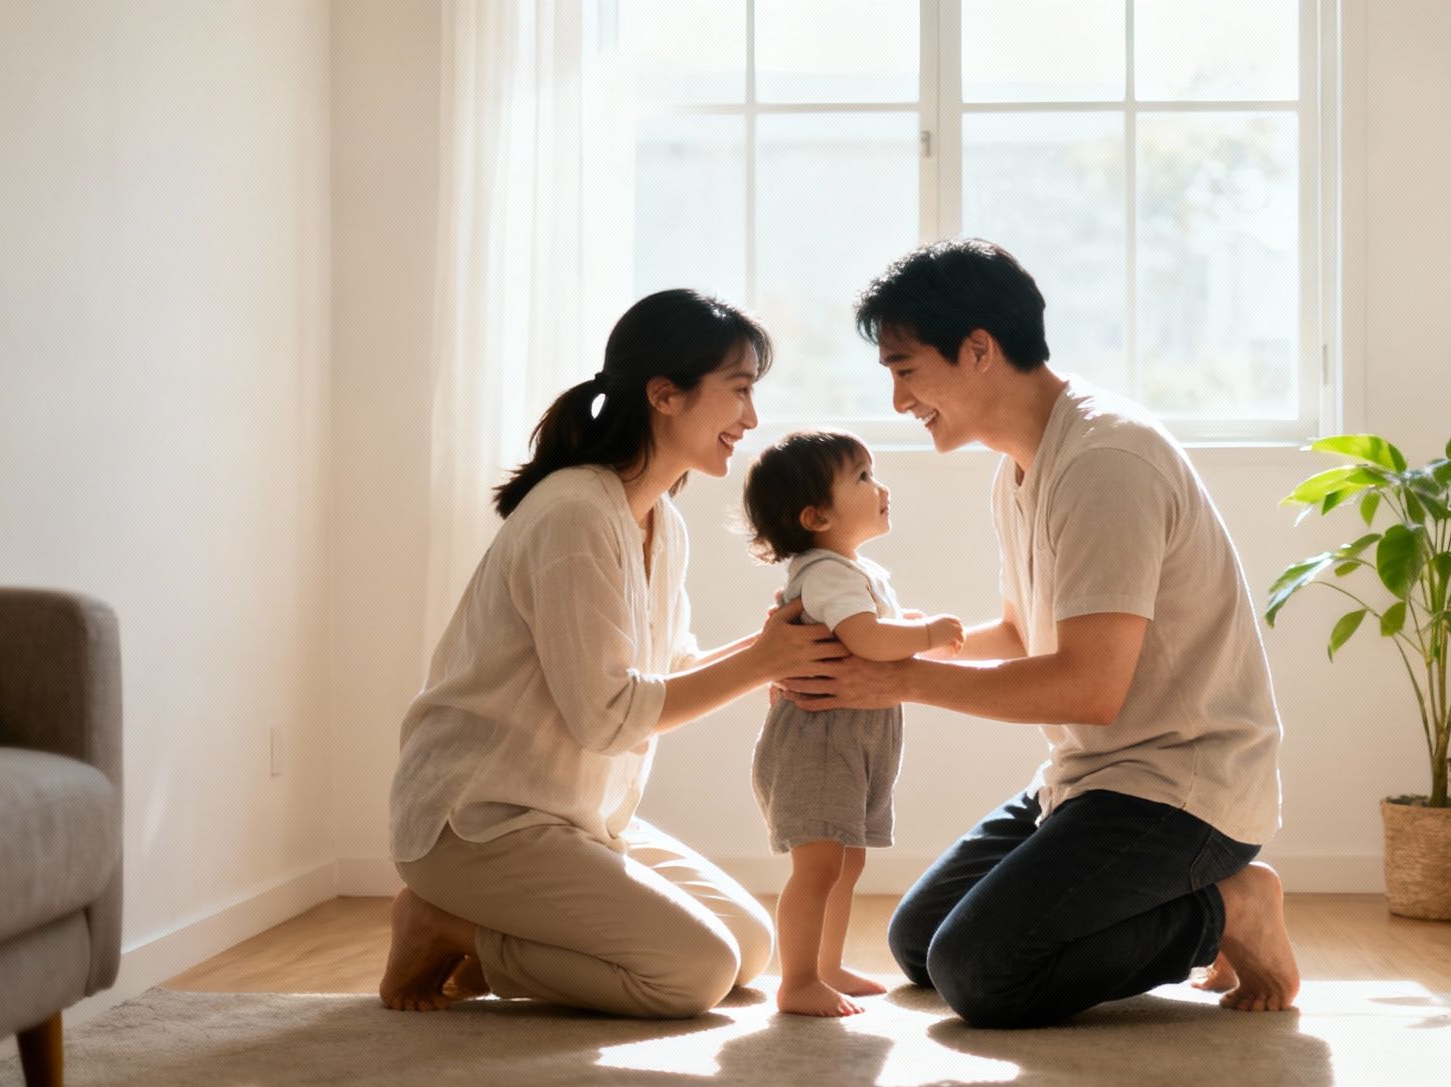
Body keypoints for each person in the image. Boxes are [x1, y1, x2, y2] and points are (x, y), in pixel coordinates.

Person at [783, 239, 1302, 1029]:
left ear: (979, 349)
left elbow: (1088, 689)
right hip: (1093, 777)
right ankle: (1192, 902)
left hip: (1184, 790)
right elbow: (1026, 634)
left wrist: (899, 681)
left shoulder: (1107, 462)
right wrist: (884, 641)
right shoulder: (1021, 466)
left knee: (981, 974)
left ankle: (1226, 908)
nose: (899, 400)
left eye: (905, 369)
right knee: (920, 942)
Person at [379, 289, 842, 1018]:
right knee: (691, 975)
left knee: (749, 951)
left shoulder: (661, 521)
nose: (751, 420)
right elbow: (607, 717)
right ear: (665, 394)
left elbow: (666, 671)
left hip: (577, 816)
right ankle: (446, 924)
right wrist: (762, 661)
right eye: (740, 392)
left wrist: (774, 651)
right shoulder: (573, 515)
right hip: (478, 823)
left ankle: (490, 938)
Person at [739, 430, 965, 1017]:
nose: (880, 486)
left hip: (854, 740)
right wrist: (924, 634)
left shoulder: (852, 571)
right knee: (817, 864)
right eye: (862, 478)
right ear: (814, 515)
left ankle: (826, 964)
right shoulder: (824, 572)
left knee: (848, 859)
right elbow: (865, 637)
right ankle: (796, 981)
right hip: (819, 741)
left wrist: (907, 622)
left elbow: (866, 626)